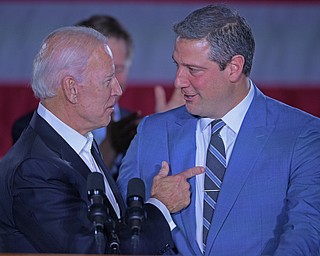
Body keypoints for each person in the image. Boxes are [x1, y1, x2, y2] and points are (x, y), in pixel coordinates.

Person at [117, 4, 320, 256]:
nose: (178, 80)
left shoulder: (301, 134)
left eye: (193, 69)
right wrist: (157, 205)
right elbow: (123, 227)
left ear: (234, 67)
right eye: (177, 66)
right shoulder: (154, 131)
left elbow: (306, 232)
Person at [0, 26, 203, 254]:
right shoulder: (34, 169)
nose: (118, 90)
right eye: (108, 81)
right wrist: (161, 206)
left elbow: (112, 232)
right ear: (71, 89)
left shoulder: (77, 142)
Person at [11, 15, 184, 179]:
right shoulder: (32, 129)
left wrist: (160, 133)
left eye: (119, 69)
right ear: (71, 81)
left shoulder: (135, 125)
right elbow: (66, 190)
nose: (115, 85)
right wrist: (110, 147)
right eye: (106, 72)